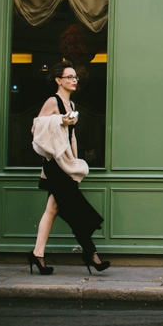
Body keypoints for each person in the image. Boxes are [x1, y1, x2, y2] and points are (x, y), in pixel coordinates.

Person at [29, 61, 110, 275]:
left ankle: (38, 254)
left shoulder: (72, 106)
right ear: (58, 80)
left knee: (54, 209)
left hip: (65, 164)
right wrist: (59, 120)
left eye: (75, 77)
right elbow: (35, 129)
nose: (74, 80)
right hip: (54, 164)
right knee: (76, 210)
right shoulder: (52, 102)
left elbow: (71, 136)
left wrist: (73, 162)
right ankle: (90, 253)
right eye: (69, 77)